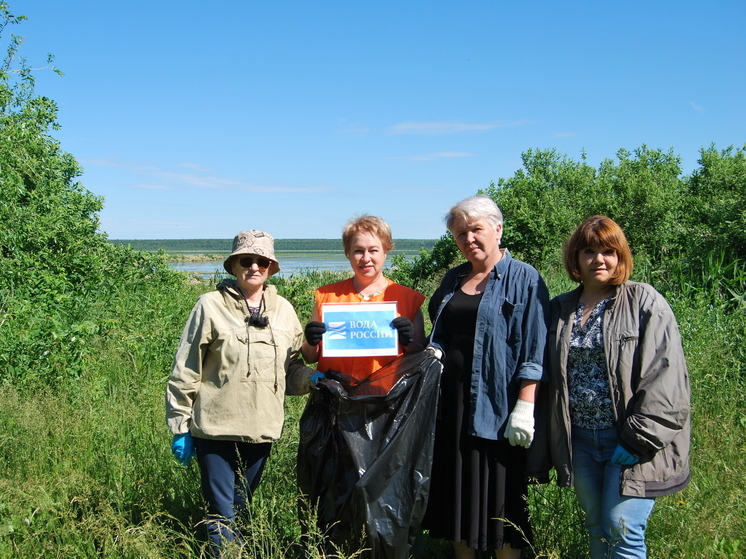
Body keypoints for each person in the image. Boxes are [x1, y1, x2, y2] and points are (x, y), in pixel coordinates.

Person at [544, 215, 690, 559]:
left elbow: (666, 378)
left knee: (621, 527)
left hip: (629, 439)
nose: (599, 259)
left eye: (608, 251)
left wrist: (638, 438)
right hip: (579, 439)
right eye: (589, 251)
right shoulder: (560, 309)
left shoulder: (643, 301)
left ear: (620, 256)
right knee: (597, 524)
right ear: (576, 259)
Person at [165, 229, 316, 557]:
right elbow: (186, 367)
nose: (254, 266)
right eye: (246, 260)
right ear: (234, 266)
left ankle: (240, 551)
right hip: (216, 429)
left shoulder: (284, 311)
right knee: (222, 513)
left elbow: (289, 373)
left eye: (262, 261)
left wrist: (314, 379)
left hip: (261, 428)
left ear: (271, 268)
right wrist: (180, 425)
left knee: (241, 505)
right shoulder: (210, 305)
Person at [422, 194, 549, 559]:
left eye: (475, 230)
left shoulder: (524, 278)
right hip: (452, 405)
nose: (468, 240)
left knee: (501, 499)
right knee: (457, 495)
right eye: (460, 234)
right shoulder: (453, 277)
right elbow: (441, 332)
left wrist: (525, 406)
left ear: (497, 229)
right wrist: (435, 350)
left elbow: (533, 347)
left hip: (498, 404)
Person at [301, 214, 427, 389]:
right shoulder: (326, 296)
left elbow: (419, 357)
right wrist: (311, 341)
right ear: (348, 253)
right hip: (336, 398)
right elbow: (310, 357)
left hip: (388, 399)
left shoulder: (408, 299)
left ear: (385, 252)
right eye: (358, 250)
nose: (366, 258)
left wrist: (409, 340)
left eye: (373, 250)